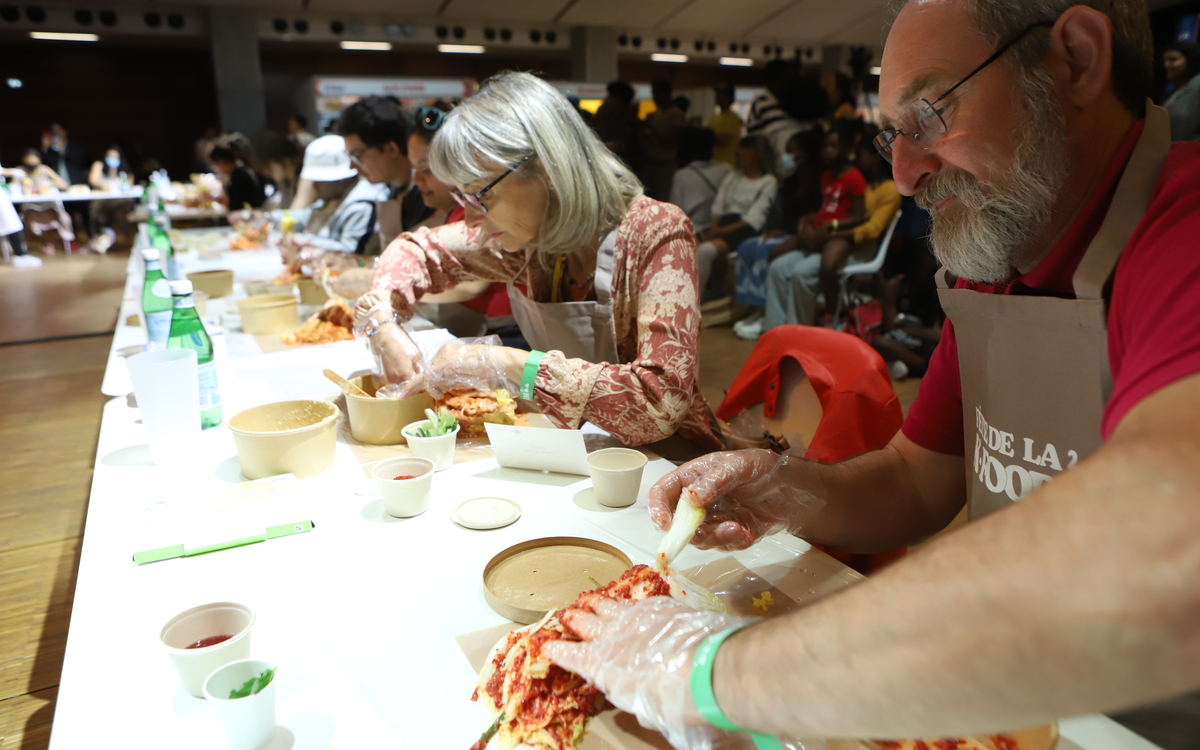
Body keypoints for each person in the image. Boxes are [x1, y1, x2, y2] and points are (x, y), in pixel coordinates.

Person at [542, 2, 1200, 748]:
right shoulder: (1004, 261)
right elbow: (917, 480)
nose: (907, 175)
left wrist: (712, 672)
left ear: (1076, 57)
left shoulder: (1183, 231)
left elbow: (1168, 543)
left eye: (930, 112)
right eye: (894, 133)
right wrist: (790, 489)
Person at [356, 71, 723, 456]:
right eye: (462, 200)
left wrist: (504, 362)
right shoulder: (527, 239)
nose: (472, 221)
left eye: (481, 196)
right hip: (573, 451)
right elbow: (416, 249)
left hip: (669, 462)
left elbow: (660, 401)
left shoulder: (656, 231)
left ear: (547, 166)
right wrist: (382, 321)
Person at [736, 128, 897, 338]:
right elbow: (829, 210)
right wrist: (809, 224)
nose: (856, 158)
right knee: (778, 266)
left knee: (802, 272)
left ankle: (799, 331)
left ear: (878, 158)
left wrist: (830, 231)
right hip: (828, 239)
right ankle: (774, 330)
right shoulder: (847, 179)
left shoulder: (888, 190)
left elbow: (871, 228)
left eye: (862, 154)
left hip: (854, 246)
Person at [335, 96, 434, 254]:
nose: (352, 166)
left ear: (391, 148)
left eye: (358, 155)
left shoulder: (431, 192)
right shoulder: (389, 191)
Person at [695, 137, 778, 294]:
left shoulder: (768, 181)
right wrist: (714, 226)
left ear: (758, 154)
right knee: (685, 244)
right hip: (721, 224)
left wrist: (717, 232)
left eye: (746, 150)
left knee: (705, 251)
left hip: (743, 229)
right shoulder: (733, 176)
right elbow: (719, 206)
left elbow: (753, 219)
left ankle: (693, 303)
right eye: (740, 149)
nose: (740, 153)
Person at [281, 134, 381, 262]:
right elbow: (305, 216)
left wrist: (307, 242)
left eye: (321, 180)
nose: (314, 185)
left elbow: (352, 252)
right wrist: (271, 218)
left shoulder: (361, 206)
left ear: (341, 179)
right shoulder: (331, 199)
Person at [667, 128, 733, 236]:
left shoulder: (682, 175)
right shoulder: (726, 169)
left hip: (694, 231)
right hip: (721, 229)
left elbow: (676, 212)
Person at [640, 79, 688, 201]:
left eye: (656, 94)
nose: (654, 98)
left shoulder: (676, 114)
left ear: (665, 94)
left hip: (666, 163)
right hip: (651, 162)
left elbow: (671, 140)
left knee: (664, 198)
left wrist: (651, 125)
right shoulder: (657, 113)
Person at [591, 80, 645, 173]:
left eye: (610, 96)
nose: (606, 100)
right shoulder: (606, 116)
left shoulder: (628, 122)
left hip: (623, 169)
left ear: (617, 99)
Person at [1162, 41, 1200, 141]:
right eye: (1165, 60)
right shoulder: (1176, 90)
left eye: (1173, 59)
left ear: (1191, 60)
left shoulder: (1197, 86)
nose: (1166, 65)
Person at [209, 144, 265, 210]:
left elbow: (236, 205)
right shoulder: (239, 170)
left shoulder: (239, 176)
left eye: (216, 165)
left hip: (250, 214)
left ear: (221, 162)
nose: (217, 169)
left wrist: (217, 200)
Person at [707, 84, 743, 169]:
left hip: (726, 165)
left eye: (720, 94)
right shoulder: (714, 117)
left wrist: (706, 137)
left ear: (728, 98)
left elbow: (722, 141)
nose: (716, 96)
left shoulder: (733, 118)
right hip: (713, 164)